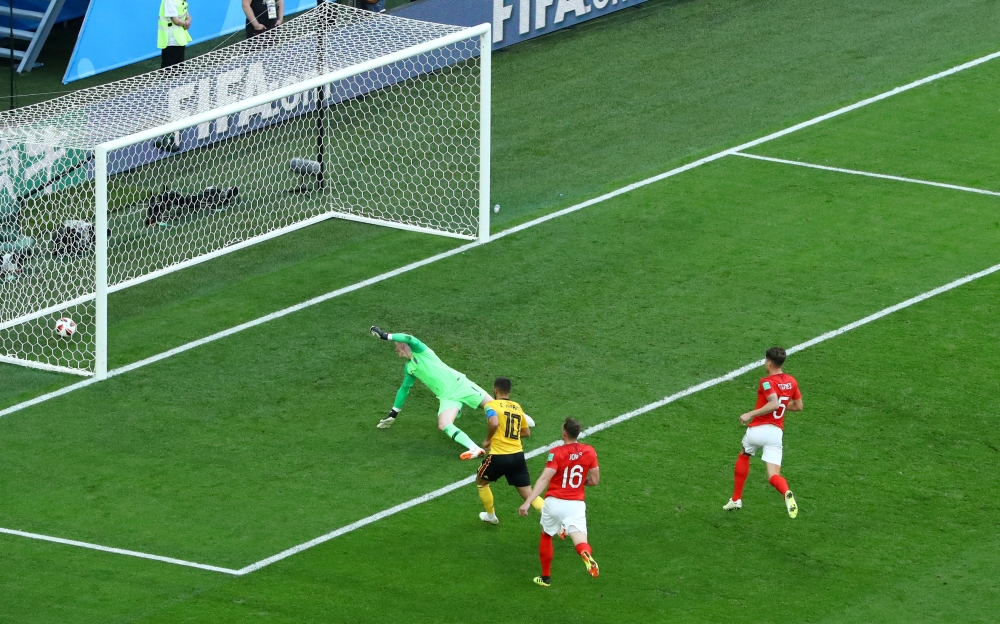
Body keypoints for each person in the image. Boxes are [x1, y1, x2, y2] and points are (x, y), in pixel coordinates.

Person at [370, 326, 491, 460]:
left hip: (460, 385)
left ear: (403, 345)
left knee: (494, 406)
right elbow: (404, 389)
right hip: (447, 397)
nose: (395, 350)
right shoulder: (409, 368)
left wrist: (384, 335)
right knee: (444, 424)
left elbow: (408, 337)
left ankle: (517, 425)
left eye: (396, 346)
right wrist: (394, 412)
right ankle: (474, 448)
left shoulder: (421, 351)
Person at [519, 417, 600, 587]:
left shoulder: (556, 453)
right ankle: (585, 553)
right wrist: (580, 483)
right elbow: (594, 480)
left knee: (546, 534)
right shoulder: (589, 451)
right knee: (581, 541)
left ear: (564, 433)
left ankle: (545, 577)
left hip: (554, 503)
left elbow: (544, 479)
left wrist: (528, 502)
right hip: (576, 505)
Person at [724, 346, 803, 517]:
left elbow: (773, 403)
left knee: (744, 454)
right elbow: (798, 406)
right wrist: (782, 405)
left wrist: (749, 414)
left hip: (758, 430)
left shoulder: (766, 381)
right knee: (773, 475)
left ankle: (736, 499)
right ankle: (786, 492)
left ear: (769, 363)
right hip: (775, 434)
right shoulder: (792, 381)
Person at [476, 377, 545, 524]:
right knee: (528, 493)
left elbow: (494, 422)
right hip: (517, 456)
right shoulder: (517, 407)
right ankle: (557, 521)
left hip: (499, 456)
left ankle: (490, 515)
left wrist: (488, 439)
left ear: (495, 390)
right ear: (509, 391)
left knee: (481, 482)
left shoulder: (491, 405)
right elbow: (526, 432)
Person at [158, 0, 192, 69]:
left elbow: (186, 15)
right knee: (170, 70)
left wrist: (187, 22)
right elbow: (176, 20)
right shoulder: (170, 1)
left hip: (177, 38)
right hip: (171, 40)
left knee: (177, 69)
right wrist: (186, 22)